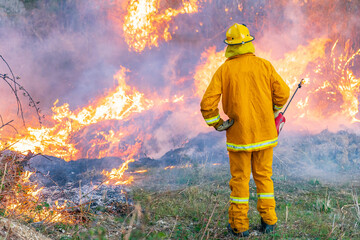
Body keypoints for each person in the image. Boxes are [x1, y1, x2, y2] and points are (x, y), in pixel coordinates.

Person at [200, 23, 290, 237]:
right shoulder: (264, 65)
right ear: (249, 42)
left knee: (240, 180)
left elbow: (207, 103)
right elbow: (283, 93)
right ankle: (269, 222)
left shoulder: (224, 70)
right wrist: (273, 111)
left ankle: (240, 226)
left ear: (229, 46)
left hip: (239, 138)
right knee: (264, 177)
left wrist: (217, 123)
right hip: (265, 135)